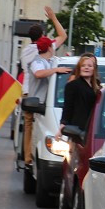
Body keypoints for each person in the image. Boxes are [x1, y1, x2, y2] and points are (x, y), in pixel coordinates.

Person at [22, 35, 67, 165]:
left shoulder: (50, 60)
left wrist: (53, 16)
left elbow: (63, 36)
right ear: (49, 48)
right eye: (52, 46)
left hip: (43, 104)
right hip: (35, 104)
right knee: (31, 131)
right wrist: (56, 70)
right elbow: (38, 73)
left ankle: (30, 158)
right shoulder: (38, 61)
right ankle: (28, 159)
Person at [60, 53, 100, 132]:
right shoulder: (72, 85)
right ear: (79, 68)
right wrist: (63, 125)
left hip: (94, 128)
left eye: (89, 66)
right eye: (83, 65)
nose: (86, 68)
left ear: (94, 69)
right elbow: (68, 107)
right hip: (77, 129)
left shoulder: (97, 85)